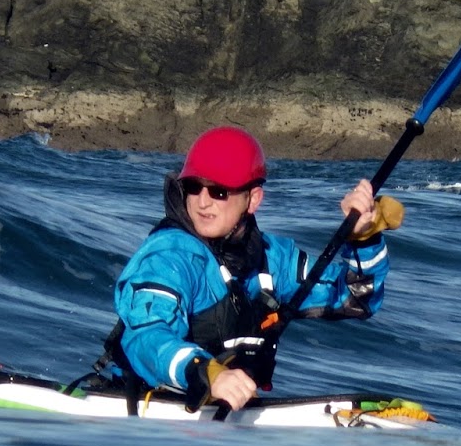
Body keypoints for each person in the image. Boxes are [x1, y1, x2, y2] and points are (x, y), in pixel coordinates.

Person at [92, 125, 402, 413]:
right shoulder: (169, 256)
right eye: (193, 187)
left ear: (253, 199)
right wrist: (206, 372)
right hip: (143, 407)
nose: (202, 203)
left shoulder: (273, 259)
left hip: (223, 416)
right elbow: (146, 337)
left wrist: (364, 238)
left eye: (219, 192)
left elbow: (356, 299)